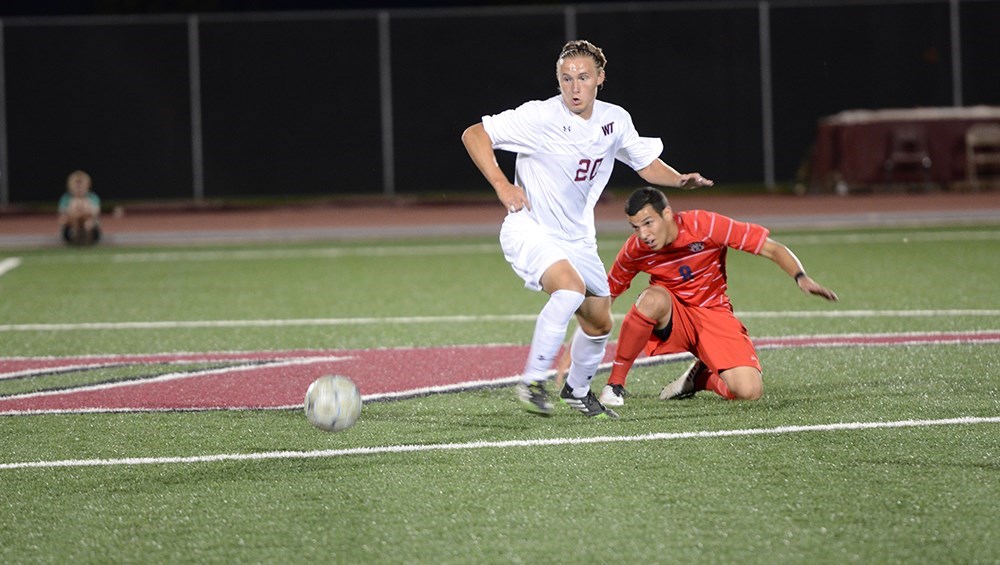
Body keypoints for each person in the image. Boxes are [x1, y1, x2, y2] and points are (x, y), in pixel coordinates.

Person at [461, 39, 713, 419]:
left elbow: (644, 163)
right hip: (530, 228)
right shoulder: (540, 116)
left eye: (582, 77)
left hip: (577, 237)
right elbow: (474, 134)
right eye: (566, 78)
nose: (574, 87)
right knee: (569, 288)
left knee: (598, 320)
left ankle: (576, 390)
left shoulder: (614, 120)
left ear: (600, 78)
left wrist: (679, 180)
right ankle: (532, 381)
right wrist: (502, 185)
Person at [597, 186, 838, 406]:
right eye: (636, 227)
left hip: (713, 313)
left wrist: (801, 277)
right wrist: (581, 345)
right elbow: (607, 296)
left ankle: (702, 378)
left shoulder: (706, 225)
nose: (644, 234)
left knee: (749, 391)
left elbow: (770, 247)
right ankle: (616, 384)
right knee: (651, 299)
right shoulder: (635, 249)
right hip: (674, 315)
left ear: (667, 214)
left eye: (648, 223)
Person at [58, 170, 101, 245]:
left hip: (90, 226)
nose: (79, 187)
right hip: (71, 226)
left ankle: (86, 236)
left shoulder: (92, 197)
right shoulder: (66, 198)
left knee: (89, 220)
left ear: (87, 185)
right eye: (76, 184)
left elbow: (95, 213)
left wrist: (83, 212)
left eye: (81, 184)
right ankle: (75, 234)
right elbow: (62, 217)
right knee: (74, 204)